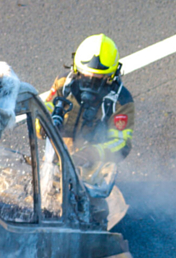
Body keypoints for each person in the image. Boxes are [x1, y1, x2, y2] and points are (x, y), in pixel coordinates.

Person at [44, 34, 134, 226]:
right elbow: (46, 109)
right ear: (76, 69)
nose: (90, 84)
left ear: (113, 76)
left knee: (90, 215)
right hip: (58, 156)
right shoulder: (63, 84)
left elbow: (121, 143)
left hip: (92, 167)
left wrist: (90, 154)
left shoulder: (121, 101)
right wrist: (46, 123)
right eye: (86, 77)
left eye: (99, 79)